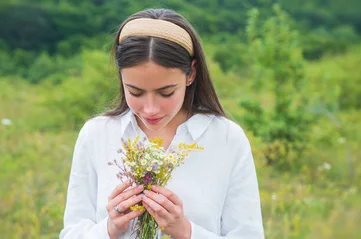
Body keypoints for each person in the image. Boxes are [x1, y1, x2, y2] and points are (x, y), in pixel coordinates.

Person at [59, 8, 264, 239]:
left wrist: (187, 232)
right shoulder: (97, 134)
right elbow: (72, 233)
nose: (150, 109)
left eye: (166, 93)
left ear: (191, 73)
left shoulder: (227, 138)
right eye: (135, 92)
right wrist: (110, 229)